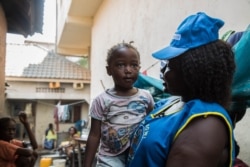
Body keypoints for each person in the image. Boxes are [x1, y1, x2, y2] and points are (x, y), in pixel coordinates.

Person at [127, 12, 236, 167]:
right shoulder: (171, 103)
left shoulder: (206, 124)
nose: (164, 73)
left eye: (170, 66)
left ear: (193, 71)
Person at [83, 42, 154, 167]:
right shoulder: (101, 100)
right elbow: (94, 135)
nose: (128, 70)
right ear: (109, 70)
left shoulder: (146, 97)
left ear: (139, 68)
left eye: (134, 65)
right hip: (110, 158)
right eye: (121, 65)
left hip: (138, 154)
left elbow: (152, 124)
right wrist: (86, 165)